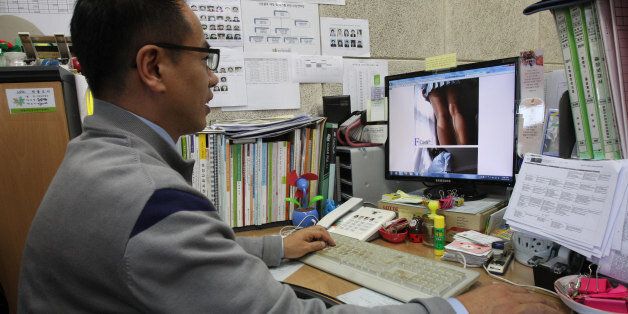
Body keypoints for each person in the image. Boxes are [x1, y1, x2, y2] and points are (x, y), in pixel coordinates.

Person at [18, 1, 561, 313]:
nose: (212, 75)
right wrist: (461, 308)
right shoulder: (148, 199)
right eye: (205, 57)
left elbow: (181, 259)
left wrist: (274, 247)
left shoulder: (95, 160)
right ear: (153, 67)